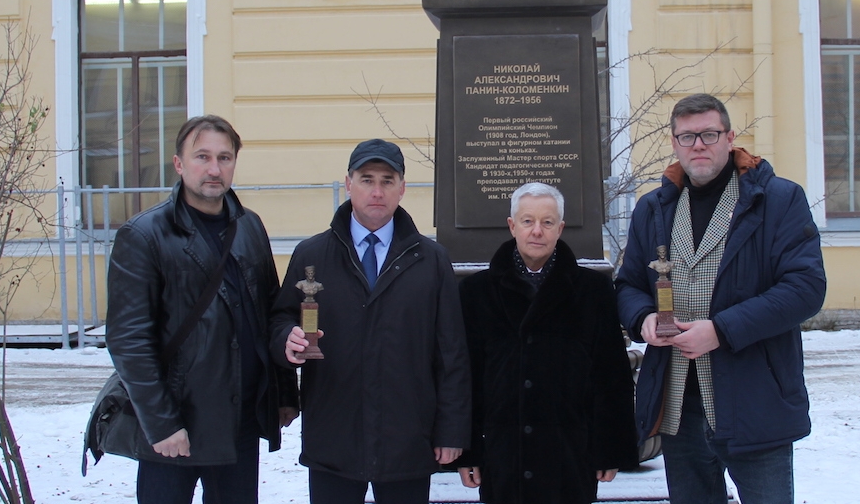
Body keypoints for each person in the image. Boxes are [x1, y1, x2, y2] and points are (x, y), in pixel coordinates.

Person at [615, 94, 827, 504]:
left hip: (754, 399)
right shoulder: (653, 209)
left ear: (729, 138)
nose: (698, 145)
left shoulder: (778, 200)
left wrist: (721, 331)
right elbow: (627, 286)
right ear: (674, 142)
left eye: (709, 134)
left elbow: (805, 288)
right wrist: (641, 318)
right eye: (687, 136)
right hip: (678, 406)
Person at [106, 115, 297, 504]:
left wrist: (283, 393)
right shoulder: (143, 235)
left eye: (224, 158)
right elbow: (129, 341)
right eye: (202, 157)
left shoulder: (249, 227)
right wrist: (161, 424)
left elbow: (269, 313)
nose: (214, 169)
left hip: (239, 423)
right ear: (179, 164)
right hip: (177, 428)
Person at [270, 139, 470, 504]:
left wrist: (451, 430)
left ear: (402, 188)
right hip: (334, 437)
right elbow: (282, 317)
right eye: (366, 179)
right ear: (348, 183)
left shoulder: (431, 260)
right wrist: (286, 338)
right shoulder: (311, 255)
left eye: (387, 180)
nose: (376, 191)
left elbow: (451, 352)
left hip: (407, 438)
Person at [453, 182, 637, 504]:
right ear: (513, 226)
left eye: (547, 222)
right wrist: (469, 450)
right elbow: (466, 379)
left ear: (560, 228)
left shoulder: (593, 292)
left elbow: (611, 376)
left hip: (568, 456)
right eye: (527, 221)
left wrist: (610, 450)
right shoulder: (476, 293)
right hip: (504, 457)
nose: (537, 231)